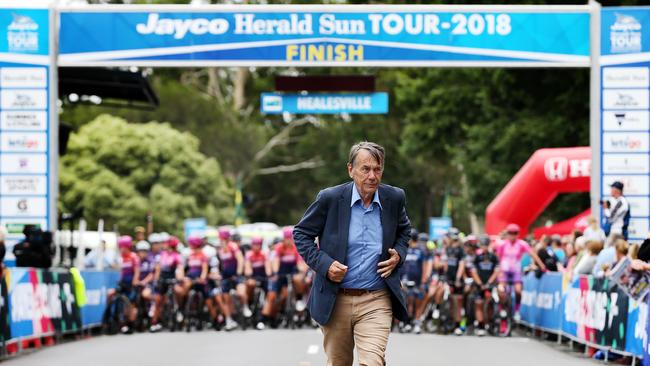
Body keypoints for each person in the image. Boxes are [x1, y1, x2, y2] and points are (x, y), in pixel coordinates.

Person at [294, 141, 410, 366]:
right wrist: (325, 264)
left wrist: (399, 254)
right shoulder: (330, 198)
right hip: (335, 299)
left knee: (372, 362)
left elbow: (405, 230)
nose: (372, 176)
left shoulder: (394, 198)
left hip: (376, 298)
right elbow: (301, 234)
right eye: (365, 169)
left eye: (377, 169)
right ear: (351, 170)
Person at [494, 224, 546, 323]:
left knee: (518, 291)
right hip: (504, 271)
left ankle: (517, 310)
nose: (512, 235)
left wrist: (541, 265)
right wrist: (498, 270)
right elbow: (498, 257)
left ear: (518, 234)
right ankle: (502, 308)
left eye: (515, 233)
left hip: (515, 271)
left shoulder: (522, 244)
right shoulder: (502, 244)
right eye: (510, 233)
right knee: (501, 289)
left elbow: (532, 254)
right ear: (507, 234)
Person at [399, 229, 432, 334]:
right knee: (408, 302)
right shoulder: (405, 249)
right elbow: (402, 266)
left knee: (418, 302)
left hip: (418, 282)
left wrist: (423, 281)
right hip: (406, 281)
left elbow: (425, 266)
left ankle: (417, 322)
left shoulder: (422, 251)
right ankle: (407, 322)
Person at [149, 235, 183, 333]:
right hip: (162, 279)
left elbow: (179, 268)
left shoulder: (176, 256)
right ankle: (154, 322)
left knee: (178, 291)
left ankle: (179, 309)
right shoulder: (162, 255)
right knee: (159, 301)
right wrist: (156, 280)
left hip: (172, 279)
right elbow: (158, 269)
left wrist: (179, 279)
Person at [470, 235, 499, 336]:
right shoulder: (477, 257)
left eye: (486, 245)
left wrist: (489, 283)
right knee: (478, 304)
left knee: (489, 303)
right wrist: (479, 283)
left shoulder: (493, 257)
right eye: (482, 245)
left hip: (489, 284)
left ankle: (490, 323)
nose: (484, 247)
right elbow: (473, 271)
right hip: (479, 284)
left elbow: (496, 271)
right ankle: (480, 325)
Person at [244, 237, 271, 330]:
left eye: (258, 245)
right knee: (249, 285)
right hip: (253, 277)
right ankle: (249, 302)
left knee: (270, 294)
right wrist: (249, 276)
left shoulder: (264, 254)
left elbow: (268, 267)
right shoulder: (249, 254)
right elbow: (247, 268)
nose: (256, 247)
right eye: (254, 245)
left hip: (263, 278)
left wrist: (269, 274)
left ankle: (263, 318)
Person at [114, 235, 140, 334]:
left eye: (123, 247)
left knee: (130, 304)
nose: (121, 249)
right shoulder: (121, 258)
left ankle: (131, 325)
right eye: (120, 247)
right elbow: (120, 271)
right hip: (123, 282)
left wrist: (135, 281)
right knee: (122, 303)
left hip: (131, 283)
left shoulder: (133, 257)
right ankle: (120, 323)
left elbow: (137, 270)